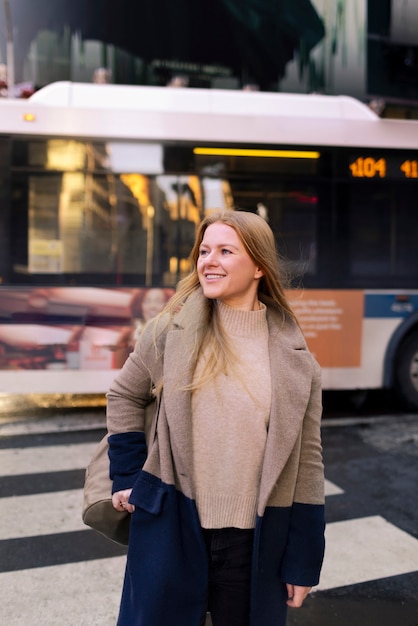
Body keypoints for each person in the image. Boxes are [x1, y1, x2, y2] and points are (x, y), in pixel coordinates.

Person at [106, 209, 325, 626]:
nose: (209, 261)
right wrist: (128, 474)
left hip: (254, 543)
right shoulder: (168, 332)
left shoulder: (298, 360)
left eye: (226, 251)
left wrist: (303, 560)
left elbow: (309, 464)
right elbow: (123, 396)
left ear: (259, 266)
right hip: (170, 523)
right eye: (204, 251)